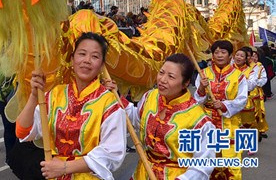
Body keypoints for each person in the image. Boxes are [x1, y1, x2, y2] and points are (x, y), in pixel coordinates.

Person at [15, 32, 126, 179]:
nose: (87, 60)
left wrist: (65, 167)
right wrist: (34, 96)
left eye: (94, 56)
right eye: (82, 54)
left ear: (101, 66)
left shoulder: (109, 103)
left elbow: (112, 153)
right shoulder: (55, 95)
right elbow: (22, 132)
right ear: (72, 60)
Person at [111, 53, 215, 179]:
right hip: (143, 173)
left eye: (171, 77)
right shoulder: (150, 96)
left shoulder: (199, 121)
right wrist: (117, 96)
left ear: (186, 83)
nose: (162, 80)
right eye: (161, 72)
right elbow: (138, 120)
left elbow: (203, 164)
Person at [195, 40, 247, 180]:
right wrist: (201, 88)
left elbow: (242, 100)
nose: (219, 55)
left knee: (231, 164)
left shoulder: (239, 76)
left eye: (223, 52)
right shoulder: (203, 73)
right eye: (216, 52)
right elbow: (196, 101)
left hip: (230, 124)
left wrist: (224, 105)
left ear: (230, 56)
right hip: (207, 123)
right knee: (206, 161)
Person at [233, 47, 257, 131]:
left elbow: (252, 85)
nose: (238, 57)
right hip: (231, 101)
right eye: (237, 55)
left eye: (241, 56)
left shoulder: (250, 71)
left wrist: (239, 80)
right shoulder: (229, 69)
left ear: (246, 59)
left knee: (247, 126)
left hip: (245, 102)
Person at [247, 47, 269, 139]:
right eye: (252, 56)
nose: (254, 58)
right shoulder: (244, 66)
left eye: (256, 56)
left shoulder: (260, 66)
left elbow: (264, 78)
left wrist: (256, 83)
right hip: (246, 94)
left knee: (259, 112)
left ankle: (260, 129)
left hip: (257, 92)